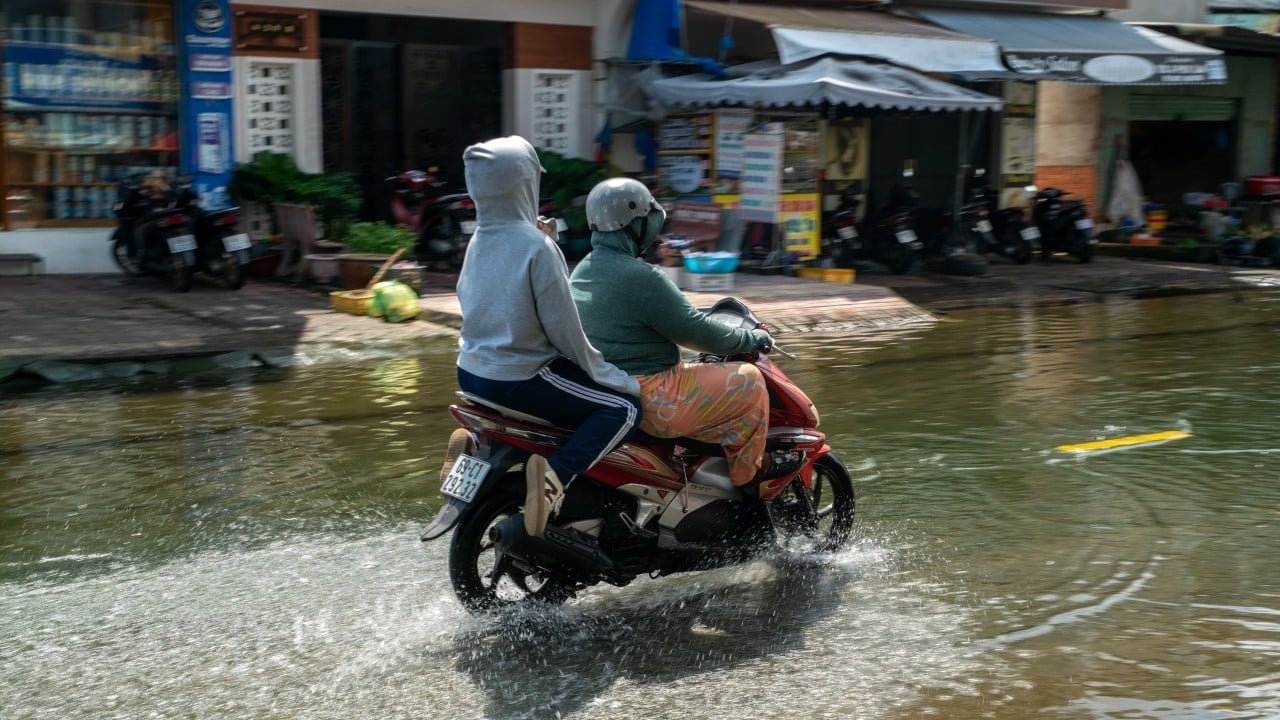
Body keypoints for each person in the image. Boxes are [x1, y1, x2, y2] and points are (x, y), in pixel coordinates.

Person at [455, 136, 642, 537]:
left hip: (470, 372)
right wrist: (608, 373)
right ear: (524, 184)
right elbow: (564, 330)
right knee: (623, 410)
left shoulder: (479, 238)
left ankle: (473, 442)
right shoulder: (536, 247)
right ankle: (553, 480)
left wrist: (543, 240)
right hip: (519, 377)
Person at [569, 178, 803, 495]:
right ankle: (749, 476)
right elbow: (695, 332)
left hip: (608, 387)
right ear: (632, 223)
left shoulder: (582, 271)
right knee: (748, 380)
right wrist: (751, 340)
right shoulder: (642, 277)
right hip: (654, 396)